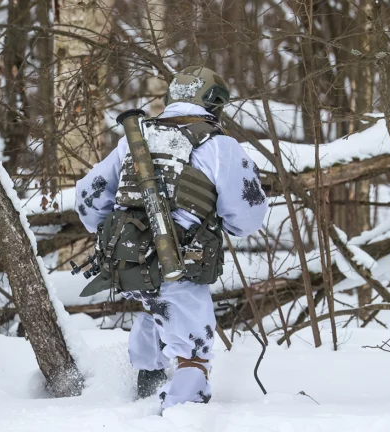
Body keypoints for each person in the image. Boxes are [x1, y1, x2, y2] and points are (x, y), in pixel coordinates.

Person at [74, 66, 268, 409]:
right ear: (215, 103)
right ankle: (181, 413)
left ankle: (142, 396)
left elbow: (88, 201)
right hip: (181, 265)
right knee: (193, 349)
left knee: (156, 311)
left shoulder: (134, 138)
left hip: (129, 262)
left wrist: (124, 235)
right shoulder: (220, 146)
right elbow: (247, 217)